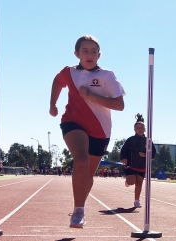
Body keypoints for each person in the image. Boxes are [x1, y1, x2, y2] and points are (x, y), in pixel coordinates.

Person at [49, 35, 125, 228]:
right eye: (85, 51)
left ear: (99, 55)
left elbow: (120, 105)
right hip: (72, 123)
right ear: (77, 54)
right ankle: (79, 210)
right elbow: (57, 81)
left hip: (100, 130)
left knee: (88, 175)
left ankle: (79, 204)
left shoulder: (107, 76)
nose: (89, 55)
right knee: (81, 160)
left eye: (93, 51)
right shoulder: (69, 72)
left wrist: (92, 96)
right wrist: (52, 104)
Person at [120, 113, 156, 208]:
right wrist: (123, 157)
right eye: (138, 128)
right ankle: (127, 182)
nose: (140, 129)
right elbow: (123, 150)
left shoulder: (148, 141)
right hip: (131, 164)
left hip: (142, 165)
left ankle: (137, 201)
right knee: (132, 181)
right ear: (134, 129)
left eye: (142, 128)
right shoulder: (130, 140)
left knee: (139, 184)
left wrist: (146, 155)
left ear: (145, 129)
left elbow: (153, 153)